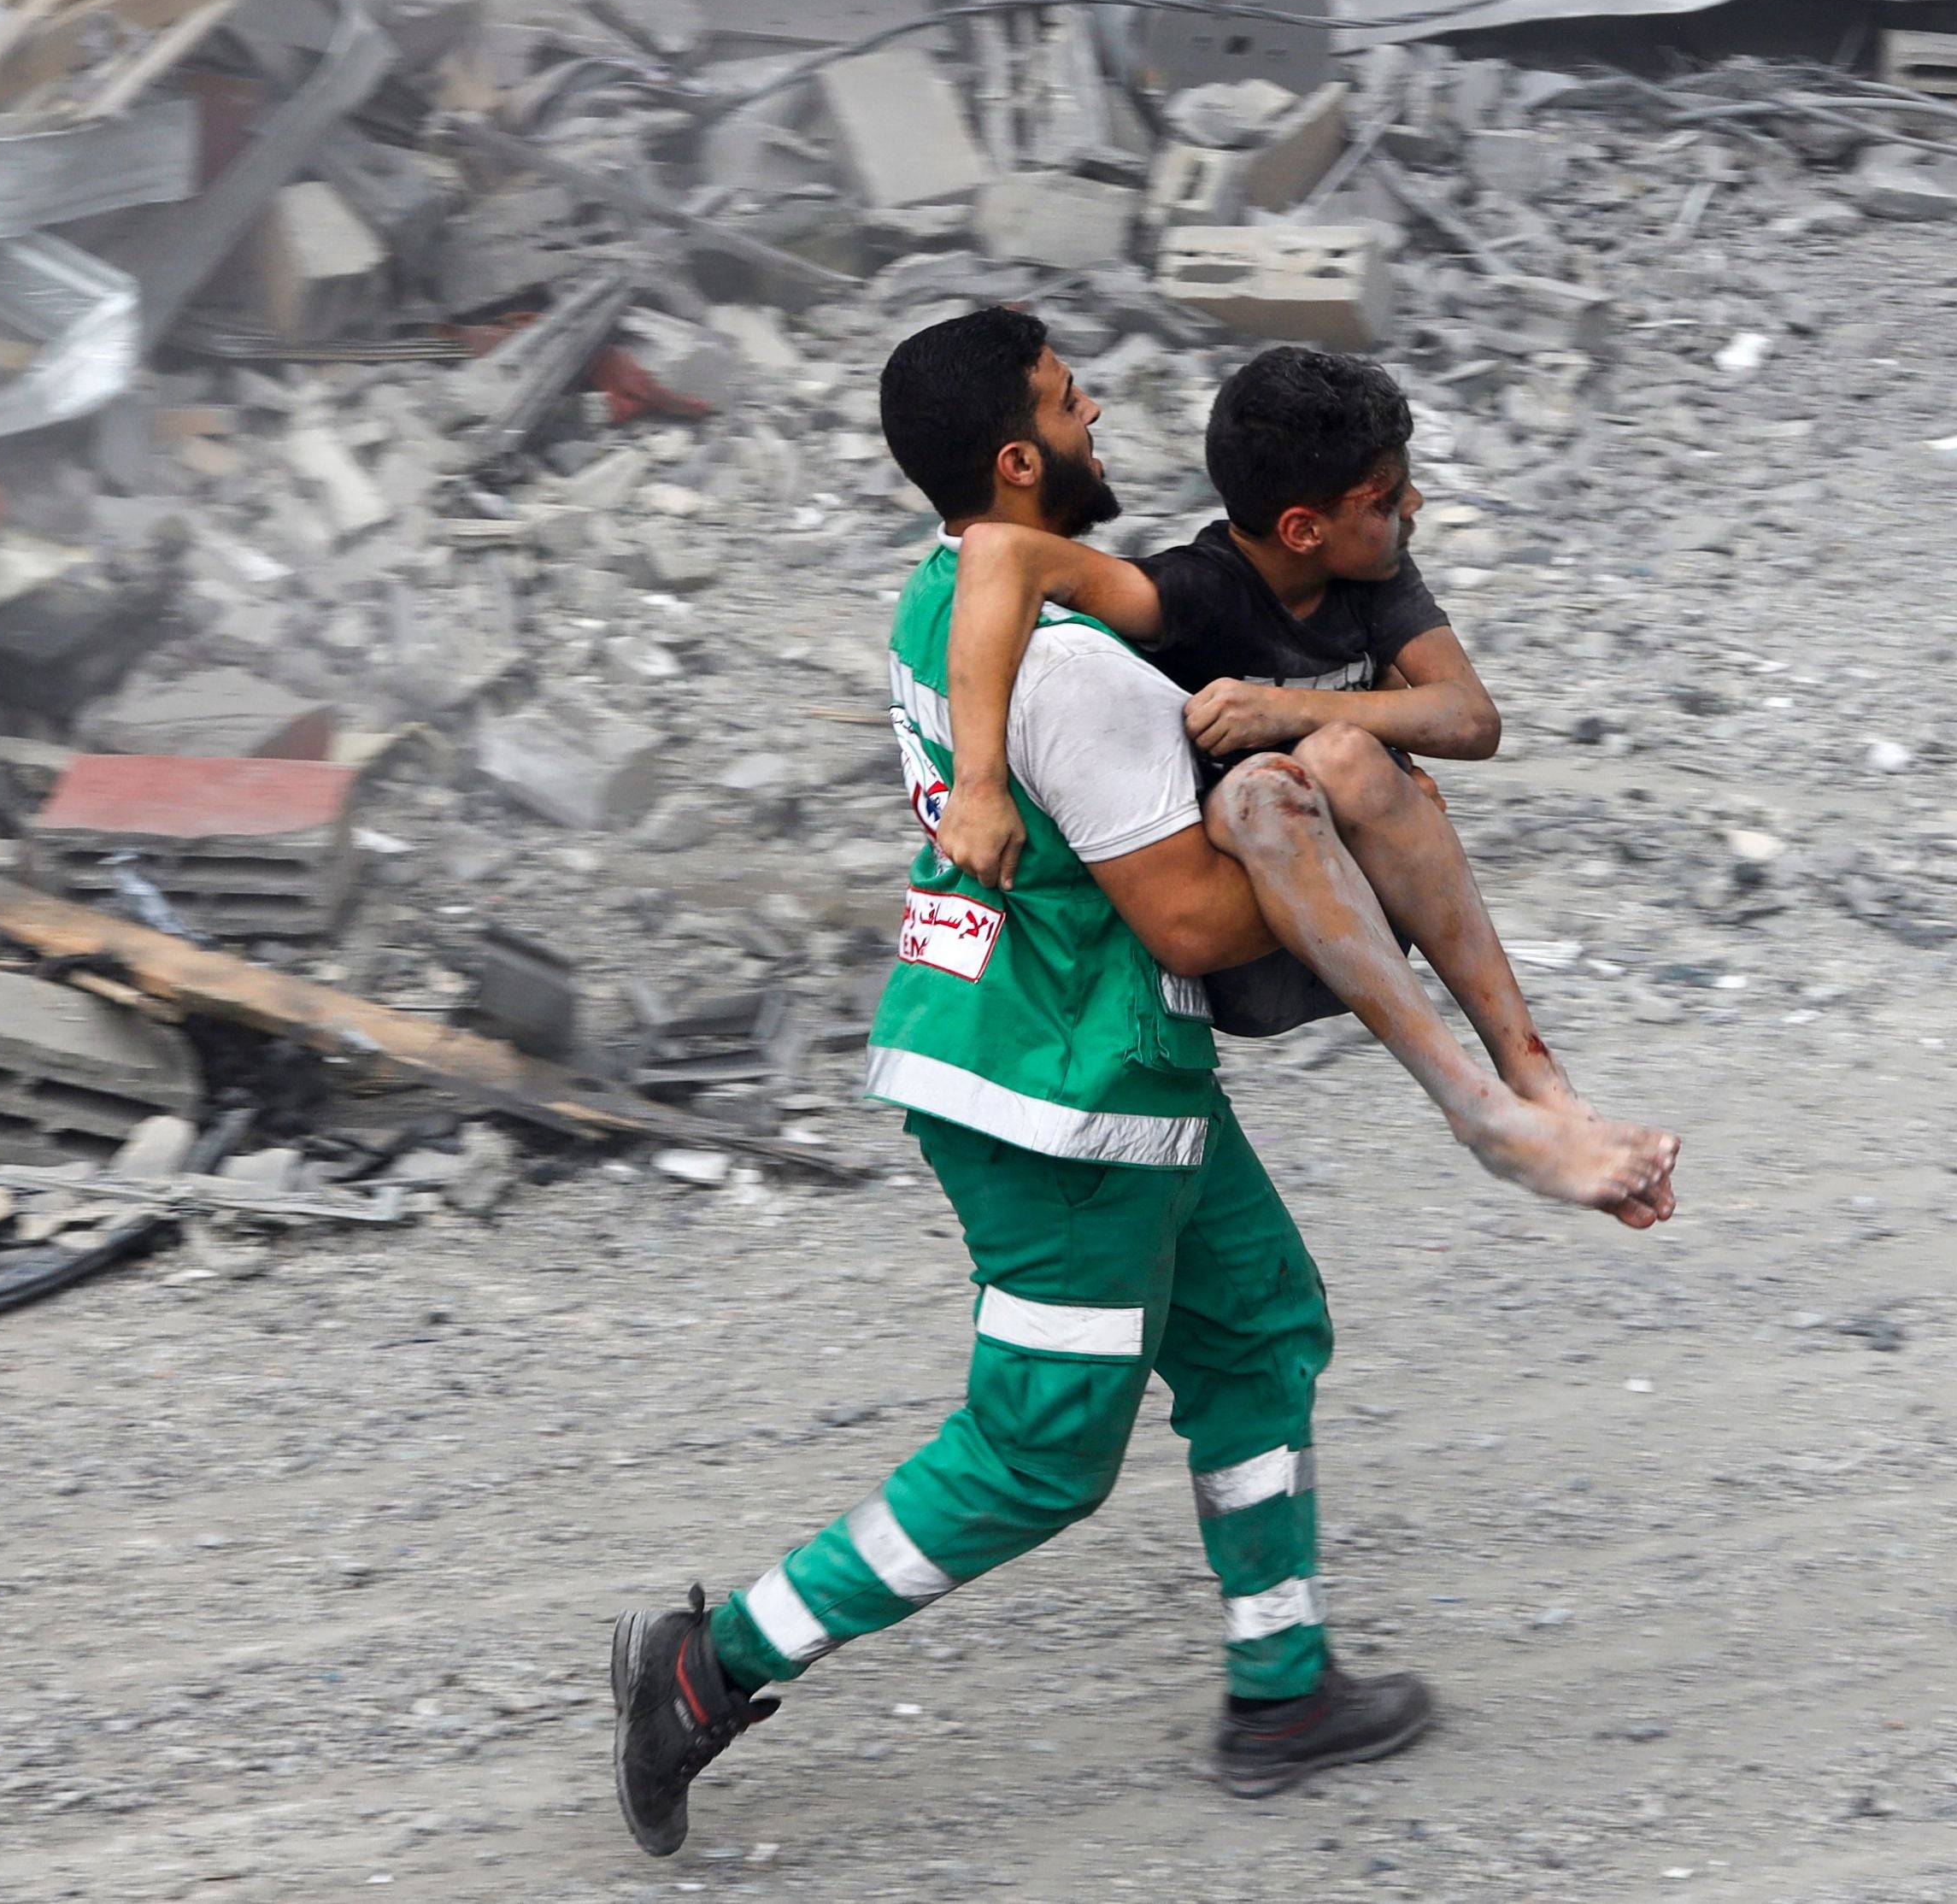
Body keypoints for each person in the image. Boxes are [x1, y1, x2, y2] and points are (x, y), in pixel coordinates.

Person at [608, 309, 1678, 1860]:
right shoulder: (1083, 678)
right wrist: (1345, 867)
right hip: (1057, 1088)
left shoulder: (942, 603)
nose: (1103, 410)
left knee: (1258, 1332)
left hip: (1096, 1059)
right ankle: (709, 1668)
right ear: (1023, 457)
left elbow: (1015, 631)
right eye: (1069, 398)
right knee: (1041, 1446)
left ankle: (1282, 1686)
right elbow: (1182, 914)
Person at [936, 345, 1662, 1208]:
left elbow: (1470, 719)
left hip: (1366, 931)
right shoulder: (1196, 591)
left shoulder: (1370, 576)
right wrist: (975, 785)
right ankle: (1476, 1114)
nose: (1413, 507)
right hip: (1247, 956)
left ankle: (1538, 1088)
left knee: (1342, 754)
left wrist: (1289, 708)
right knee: (1263, 786)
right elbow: (995, 555)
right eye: (1386, 501)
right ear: (1302, 529)